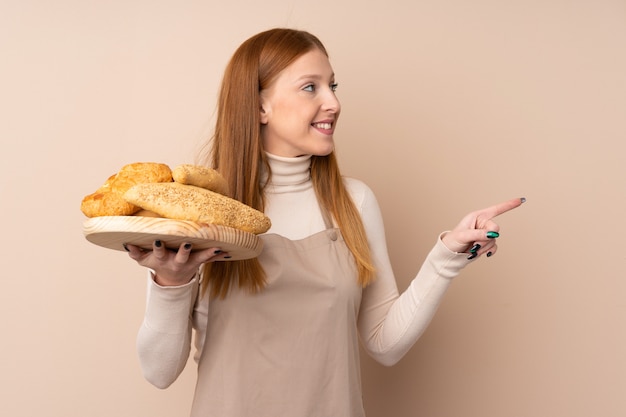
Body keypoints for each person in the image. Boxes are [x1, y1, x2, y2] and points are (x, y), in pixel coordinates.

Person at [124, 28, 525, 417]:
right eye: (310, 87)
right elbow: (159, 372)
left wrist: (446, 258)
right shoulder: (203, 209)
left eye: (333, 86)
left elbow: (385, 344)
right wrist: (171, 285)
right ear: (259, 105)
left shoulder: (354, 201)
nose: (333, 103)